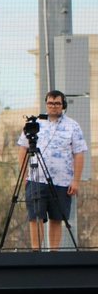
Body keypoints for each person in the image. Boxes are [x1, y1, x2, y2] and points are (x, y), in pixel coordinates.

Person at [16, 91, 88, 251]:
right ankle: (36, 251)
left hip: (62, 181)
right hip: (36, 179)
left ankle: (54, 252)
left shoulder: (73, 126)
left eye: (57, 103)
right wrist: (23, 175)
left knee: (57, 217)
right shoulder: (34, 125)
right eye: (50, 103)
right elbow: (23, 149)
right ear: (46, 104)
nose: (53, 106)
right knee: (35, 216)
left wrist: (76, 181)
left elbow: (79, 153)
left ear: (63, 105)